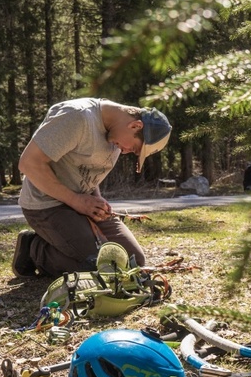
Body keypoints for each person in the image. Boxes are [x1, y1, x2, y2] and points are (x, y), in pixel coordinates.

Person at [11, 98, 172, 278]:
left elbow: (89, 171)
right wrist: (76, 201)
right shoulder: (76, 117)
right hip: (45, 204)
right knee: (99, 266)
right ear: (135, 126)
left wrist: (95, 200)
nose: (126, 152)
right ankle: (35, 249)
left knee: (133, 262)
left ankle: (62, 241)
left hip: (82, 203)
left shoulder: (117, 132)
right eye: (134, 148)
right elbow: (29, 163)